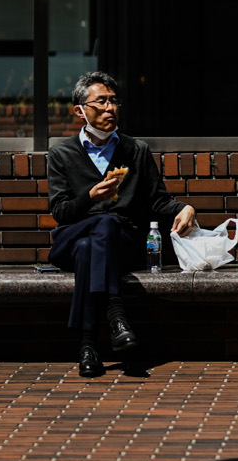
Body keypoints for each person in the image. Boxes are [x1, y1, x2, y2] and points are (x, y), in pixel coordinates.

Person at [46, 72, 198, 377]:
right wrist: (89, 197)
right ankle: (116, 315)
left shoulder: (135, 150)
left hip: (118, 243)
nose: (110, 108)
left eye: (114, 101)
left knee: (93, 244)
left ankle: (88, 345)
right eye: (101, 102)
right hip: (69, 240)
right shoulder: (61, 153)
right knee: (100, 224)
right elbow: (61, 212)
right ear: (80, 110)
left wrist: (185, 207)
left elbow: (157, 200)